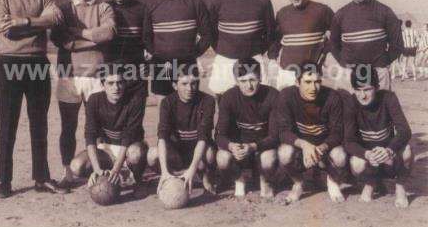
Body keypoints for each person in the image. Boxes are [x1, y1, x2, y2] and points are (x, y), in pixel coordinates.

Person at [0, 0, 66, 198]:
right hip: (9, 62)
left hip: (38, 63)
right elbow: (4, 27)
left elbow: (56, 17)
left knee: (39, 123)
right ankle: (4, 180)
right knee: (8, 123)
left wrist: (26, 21)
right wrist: (38, 25)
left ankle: (41, 177)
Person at [50, 0, 116, 188]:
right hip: (69, 76)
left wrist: (78, 34)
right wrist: (93, 39)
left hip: (96, 76)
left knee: (96, 127)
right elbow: (61, 40)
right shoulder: (63, 9)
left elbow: (108, 33)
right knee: (68, 126)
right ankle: (67, 172)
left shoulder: (104, 7)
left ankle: (97, 171)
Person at [69, 65, 148, 195]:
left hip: (128, 149)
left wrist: (115, 170)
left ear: (125, 83)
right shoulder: (94, 100)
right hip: (106, 150)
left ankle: (137, 181)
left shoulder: (135, 101)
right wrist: (97, 169)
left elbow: (127, 138)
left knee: (136, 153)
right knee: (76, 166)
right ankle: (105, 173)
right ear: (103, 84)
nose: (116, 88)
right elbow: (90, 136)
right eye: (110, 83)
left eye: (120, 82)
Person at [343, 65, 413, 208]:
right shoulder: (351, 102)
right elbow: (348, 141)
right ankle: (371, 183)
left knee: (407, 151)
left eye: (367, 89)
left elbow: (405, 130)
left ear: (377, 86)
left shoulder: (388, 97)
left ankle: (400, 186)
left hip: (388, 154)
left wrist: (389, 149)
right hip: (369, 156)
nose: (362, 95)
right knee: (356, 163)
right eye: (358, 90)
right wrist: (366, 154)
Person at [277, 62, 347, 204]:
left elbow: (338, 132)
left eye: (317, 82)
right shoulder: (286, 95)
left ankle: (332, 181)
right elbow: (283, 131)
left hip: (325, 145)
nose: (313, 88)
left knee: (340, 156)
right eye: (307, 82)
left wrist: (321, 148)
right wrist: (304, 145)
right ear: (297, 82)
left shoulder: (332, 97)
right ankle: (298, 183)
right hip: (301, 146)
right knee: (284, 153)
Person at [143, 0, 212, 103]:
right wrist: (157, 55)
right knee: (163, 111)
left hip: (187, 64)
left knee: (188, 108)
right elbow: (146, 36)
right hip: (161, 65)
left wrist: (192, 54)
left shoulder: (195, 3)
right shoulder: (152, 5)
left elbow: (207, 34)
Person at [208, 0, 276, 97]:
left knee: (257, 104)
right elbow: (211, 34)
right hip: (225, 60)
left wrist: (256, 51)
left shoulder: (262, 0)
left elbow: (270, 33)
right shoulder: (218, 2)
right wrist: (224, 50)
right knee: (224, 102)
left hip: (254, 60)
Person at [329, 0, 403, 91]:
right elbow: (333, 44)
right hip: (349, 74)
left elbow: (397, 45)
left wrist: (382, 64)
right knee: (347, 110)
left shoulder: (385, 12)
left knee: (379, 110)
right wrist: (344, 63)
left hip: (378, 74)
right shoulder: (340, 14)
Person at [147, 65, 217, 195]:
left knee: (210, 153)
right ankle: (171, 177)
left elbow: (203, 137)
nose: (189, 88)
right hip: (178, 152)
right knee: (152, 155)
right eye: (184, 84)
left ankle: (206, 178)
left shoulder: (208, 101)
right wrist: (164, 171)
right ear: (174, 85)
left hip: (199, 149)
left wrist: (192, 169)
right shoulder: (167, 102)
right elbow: (162, 137)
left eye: (193, 84)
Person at [215, 58, 279, 198]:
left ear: (260, 78)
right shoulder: (228, 97)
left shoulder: (273, 95)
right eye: (243, 81)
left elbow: (276, 136)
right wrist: (231, 146)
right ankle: (239, 179)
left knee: (269, 158)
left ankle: (265, 180)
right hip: (239, 150)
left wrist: (253, 146)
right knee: (222, 158)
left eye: (253, 80)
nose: (249, 86)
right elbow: (219, 135)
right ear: (236, 80)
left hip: (262, 148)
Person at [269, 0, 333, 90]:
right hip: (287, 73)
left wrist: (326, 52)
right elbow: (274, 41)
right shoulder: (282, 14)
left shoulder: (322, 11)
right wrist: (273, 59)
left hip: (312, 73)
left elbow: (336, 34)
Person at [106, 0, 148, 97]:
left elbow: (150, 41)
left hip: (135, 75)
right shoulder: (103, 8)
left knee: (135, 116)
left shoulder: (141, 9)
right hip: (110, 75)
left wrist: (149, 64)